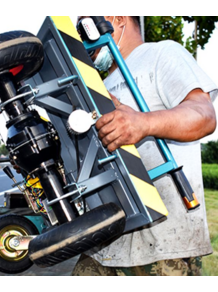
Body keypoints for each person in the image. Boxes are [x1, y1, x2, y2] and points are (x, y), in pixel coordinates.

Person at [72, 16, 217, 276]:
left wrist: (143, 123)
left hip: (160, 246)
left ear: (117, 19)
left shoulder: (162, 53)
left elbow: (204, 115)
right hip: (101, 244)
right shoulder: (99, 84)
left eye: (87, 22)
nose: (82, 35)